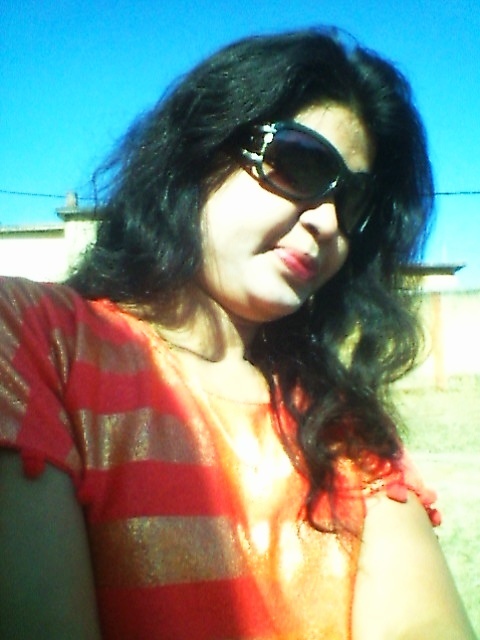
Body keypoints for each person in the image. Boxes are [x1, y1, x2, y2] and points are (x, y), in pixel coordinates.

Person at [0, 27, 476, 640]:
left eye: (354, 203)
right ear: (200, 151)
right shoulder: (37, 339)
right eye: (299, 162)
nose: (328, 223)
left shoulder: (341, 429)